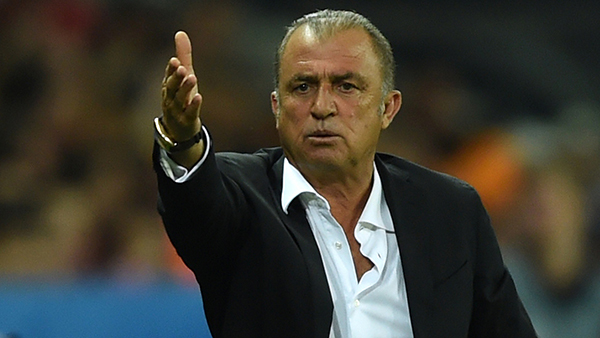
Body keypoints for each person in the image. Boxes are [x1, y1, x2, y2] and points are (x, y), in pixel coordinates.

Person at [153, 9, 537, 338]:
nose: (322, 106)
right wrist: (183, 141)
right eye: (302, 87)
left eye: (346, 86)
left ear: (388, 108)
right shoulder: (240, 196)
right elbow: (196, 206)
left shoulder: (450, 209)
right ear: (276, 107)